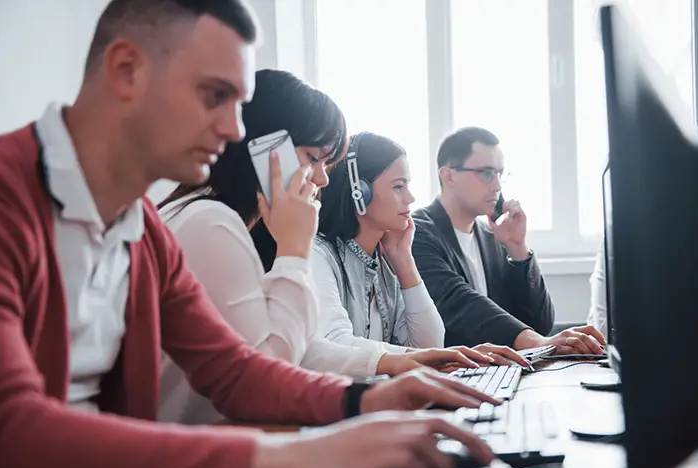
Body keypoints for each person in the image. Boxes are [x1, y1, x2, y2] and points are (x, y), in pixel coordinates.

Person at [0, 0, 497, 468]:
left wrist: (366, 400)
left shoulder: (142, 226)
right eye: (213, 95)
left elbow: (234, 370)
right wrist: (289, 458)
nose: (235, 130)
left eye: (239, 105)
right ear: (126, 70)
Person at [157, 70, 485, 425]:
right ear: (265, 150)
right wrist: (294, 251)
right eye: (314, 159)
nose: (323, 178)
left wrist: (400, 361)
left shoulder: (224, 224)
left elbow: (299, 346)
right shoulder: (211, 224)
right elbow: (268, 370)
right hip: (193, 449)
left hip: (222, 437)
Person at [312, 132, 528, 370]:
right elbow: (337, 343)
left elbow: (428, 343)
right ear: (359, 193)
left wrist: (404, 260)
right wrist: (441, 356)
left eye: (408, 185)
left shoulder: (385, 262)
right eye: (398, 187)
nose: (410, 197)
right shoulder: (318, 256)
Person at [412, 127, 606, 354]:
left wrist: (518, 249)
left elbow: (540, 324)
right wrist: (535, 342)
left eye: (499, 174)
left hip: (500, 372)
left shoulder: (491, 236)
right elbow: (455, 301)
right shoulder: (418, 232)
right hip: (453, 374)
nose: (497, 185)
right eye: (486, 173)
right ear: (449, 176)